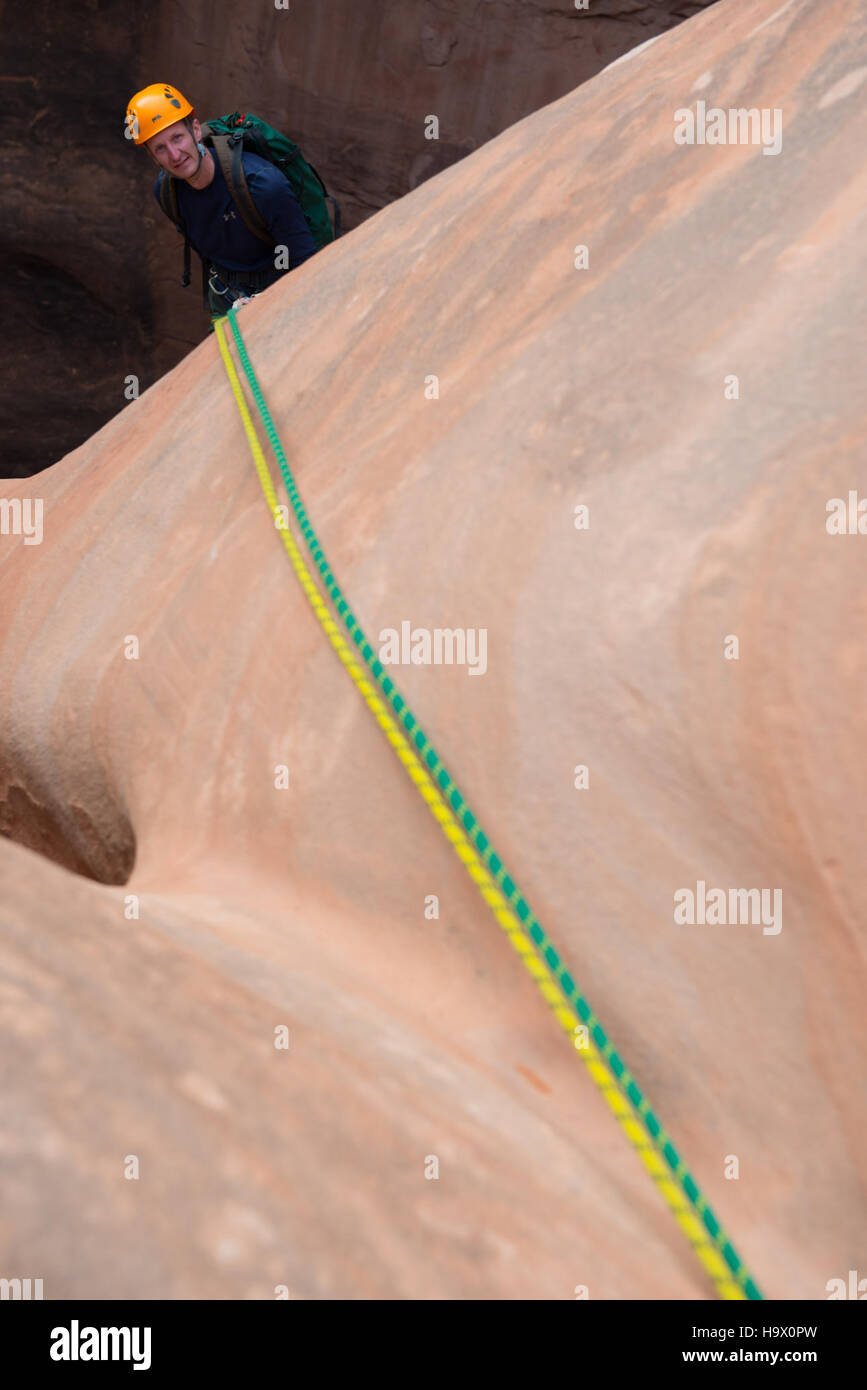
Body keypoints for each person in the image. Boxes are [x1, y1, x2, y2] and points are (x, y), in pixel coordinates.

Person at [126, 84, 318, 318]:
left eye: (177, 138)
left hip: (278, 291)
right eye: (160, 148)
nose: (174, 155)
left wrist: (269, 297)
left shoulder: (262, 184)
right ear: (152, 156)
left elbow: (305, 262)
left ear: (196, 130)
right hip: (226, 297)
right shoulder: (167, 193)